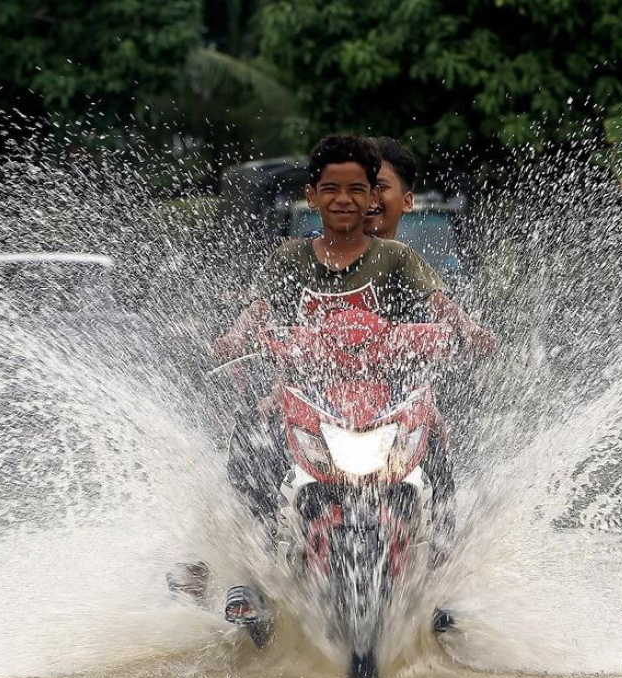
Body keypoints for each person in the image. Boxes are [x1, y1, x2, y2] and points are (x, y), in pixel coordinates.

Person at [209, 135, 493, 630]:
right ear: (312, 196)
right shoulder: (290, 259)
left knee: (439, 448)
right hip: (305, 393)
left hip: (389, 401)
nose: (348, 200)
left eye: (361, 190)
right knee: (252, 438)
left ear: (374, 200)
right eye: (333, 190)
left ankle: (439, 585)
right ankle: (248, 576)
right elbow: (259, 312)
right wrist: (237, 336)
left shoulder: (399, 258)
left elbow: (440, 307)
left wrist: (466, 329)